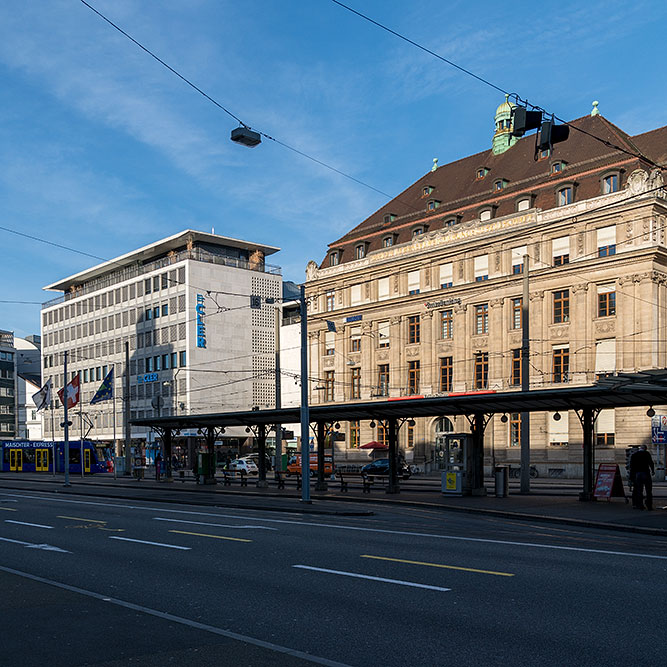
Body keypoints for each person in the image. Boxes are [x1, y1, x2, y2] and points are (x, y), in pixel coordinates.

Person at [630, 445, 655, 510]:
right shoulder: (647, 454)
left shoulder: (634, 455)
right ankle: (649, 505)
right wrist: (652, 471)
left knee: (639, 490)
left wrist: (632, 476)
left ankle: (640, 505)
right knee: (648, 490)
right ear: (645, 449)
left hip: (637, 474)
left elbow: (632, 467)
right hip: (646, 473)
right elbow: (651, 463)